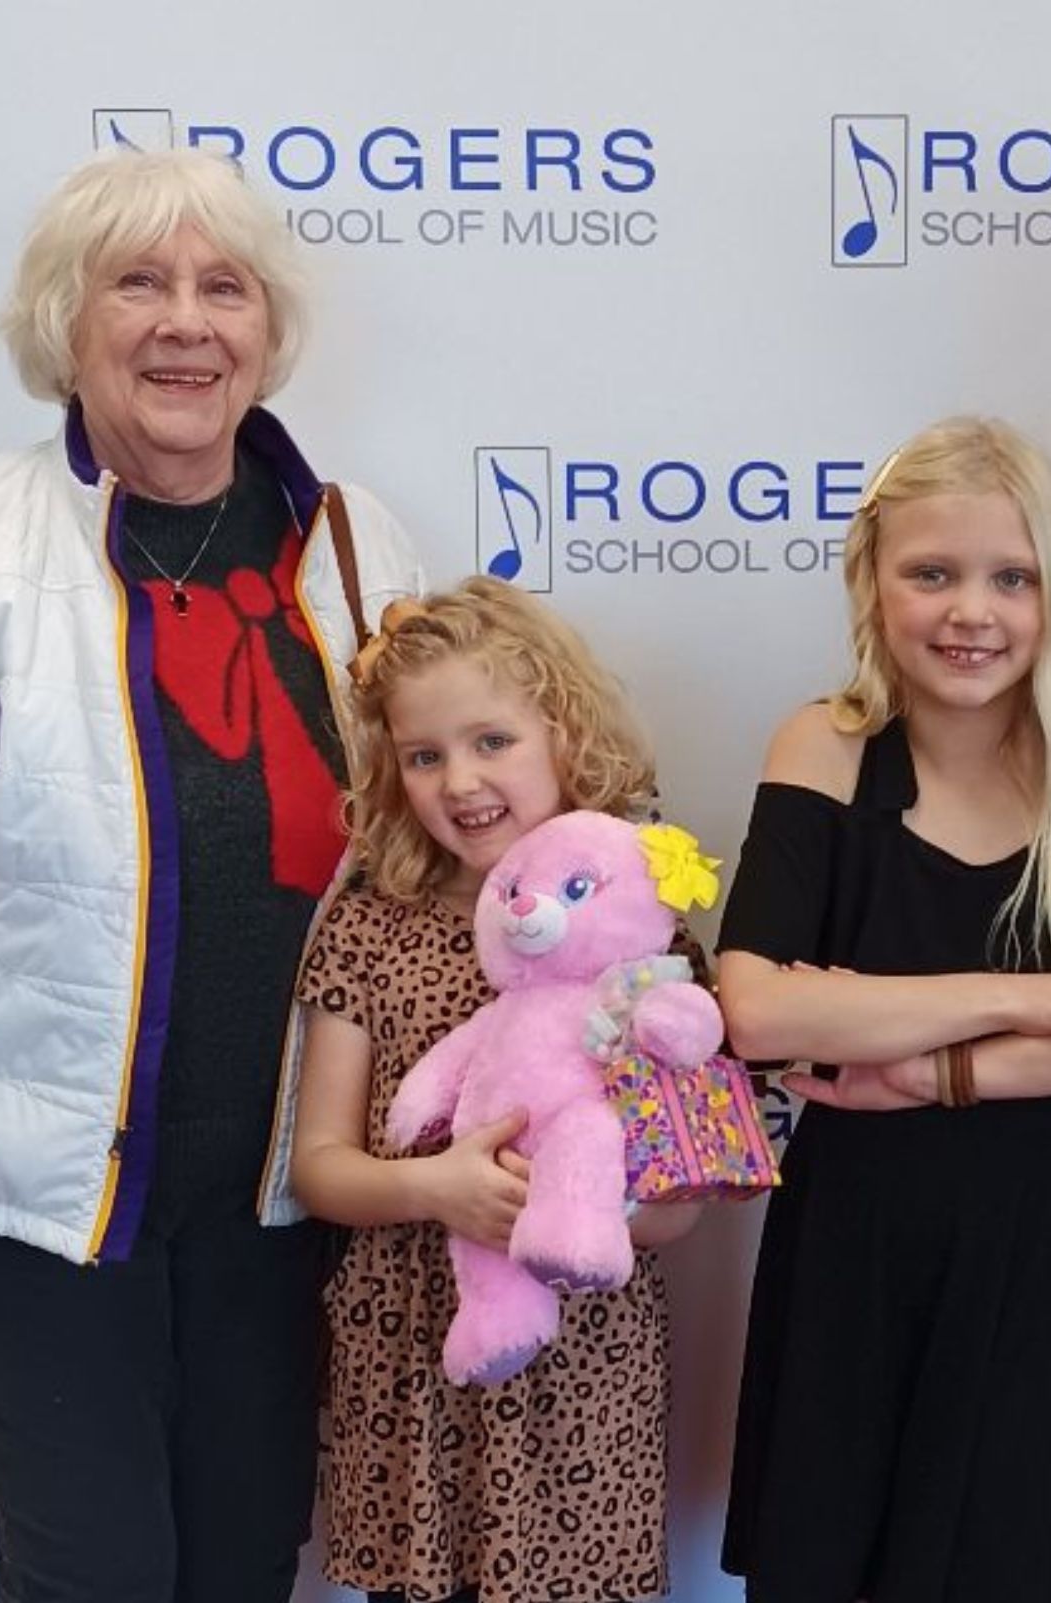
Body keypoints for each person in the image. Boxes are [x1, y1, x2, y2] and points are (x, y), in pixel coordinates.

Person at [0, 148, 425, 1602]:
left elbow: (432, 856)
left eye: (223, 286)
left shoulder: (354, 548)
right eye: (140, 282)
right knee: (94, 1577)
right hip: (45, 1207)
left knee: (244, 1569)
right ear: (67, 322)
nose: (187, 321)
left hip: (286, 1194)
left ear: (266, 329)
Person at [715, 416, 1051, 1603]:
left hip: (1044, 1242)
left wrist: (930, 1065)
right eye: (929, 574)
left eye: (1010, 578)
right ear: (872, 585)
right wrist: (1042, 999)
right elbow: (757, 1010)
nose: (968, 613)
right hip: (855, 1249)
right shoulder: (829, 748)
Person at [289, 576, 696, 1603]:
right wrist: (441, 1190)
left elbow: (683, 1202)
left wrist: (569, 1202)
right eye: (424, 756)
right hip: (415, 1363)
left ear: (565, 734)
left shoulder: (641, 929)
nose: (459, 781)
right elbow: (323, 1166)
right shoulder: (370, 925)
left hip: (583, 1374)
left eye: (492, 742)